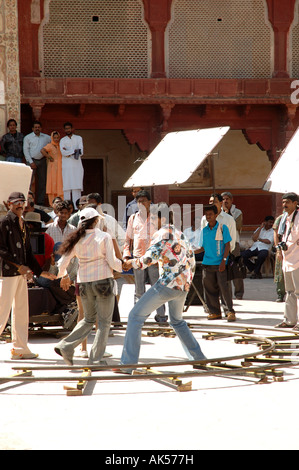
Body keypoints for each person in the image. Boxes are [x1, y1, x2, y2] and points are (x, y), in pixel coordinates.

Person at [119, 203, 206, 373]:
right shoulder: (179, 233)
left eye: (153, 218)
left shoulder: (161, 234)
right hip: (182, 286)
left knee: (134, 316)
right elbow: (191, 259)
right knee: (177, 321)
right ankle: (199, 358)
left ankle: (128, 364)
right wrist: (186, 283)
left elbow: (147, 260)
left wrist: (130, 263)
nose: (150, 221)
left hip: (167, 284)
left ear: (163, 218)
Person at [54, 207, 123, 365]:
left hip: (84, 283)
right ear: (96, 221)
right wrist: (123, 266)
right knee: (104, 322)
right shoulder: (104, 236)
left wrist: (63, 276)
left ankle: (65, 346)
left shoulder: (76, 239)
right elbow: (113, 262)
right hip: (103, 282)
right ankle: (96, 359)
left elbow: (62, 263)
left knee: (88, 319)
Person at [0, 191, 55, 359]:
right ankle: (19, 348)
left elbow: (28, 253)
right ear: (9, 204)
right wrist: (18, 266)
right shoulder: (4, 222)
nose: (20, 205)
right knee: (2, 311)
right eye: (16, 202)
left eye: (22, 202)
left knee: (21, 312)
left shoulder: (22, 223)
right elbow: (1, 249)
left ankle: (20, 349)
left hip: (20, 274)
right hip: (8, 273)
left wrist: (40, 272)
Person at [123, 189, 167, 323]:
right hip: (137, 259)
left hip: (153, 260)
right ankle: (138, 318)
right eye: (138, 201)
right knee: (139, 291)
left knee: (157, 290)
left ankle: (161, 317)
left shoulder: (156, 218)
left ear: (149, 202)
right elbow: (127, 240)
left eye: (143, 201)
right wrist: (126, 256)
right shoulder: (132, 218)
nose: (140, 203)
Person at [197, 205, 235, 322]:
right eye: (206, 215)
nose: (209, 217)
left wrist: (224, 261)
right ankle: (214, 312)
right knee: (209, 289)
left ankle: (229, 311)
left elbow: (227, 245)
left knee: (224, 289)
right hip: (207, 263)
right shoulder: (204, 231)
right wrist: (189, 252)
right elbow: (202, 247)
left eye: (211, 214)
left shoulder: (223, 228)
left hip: (220, 264)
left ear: (216, 215)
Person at [275, 193, 299, 329]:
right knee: (289, 291)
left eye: (287, 202)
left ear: (295, 203)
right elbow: (280, 235)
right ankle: (289, 320)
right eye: (283, 202)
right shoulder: (284, 218)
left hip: (297, 258)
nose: (284, 205)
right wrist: (278, 250)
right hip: (286, 257)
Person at [221, 191, 244, 299]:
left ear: (231, 200)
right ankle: (224, 293)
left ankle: (239, 293)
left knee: (235, 268)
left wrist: (227, 215)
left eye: (227, 199)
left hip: (234, 243)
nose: (225, 201)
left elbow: (237, 226)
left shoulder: (237, 212)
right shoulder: (218, 213)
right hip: (221, 243)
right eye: (223, 199)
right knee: (223, 268)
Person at [23, 121, 51, 205]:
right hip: (32, 161)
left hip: (42, 161)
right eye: (35, 127)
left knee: (42, 181)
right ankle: (28, 201)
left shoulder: (46, 137)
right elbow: (26, 150)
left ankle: (40, 202)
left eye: (39, 127)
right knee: (29, 182)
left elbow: (54, 141)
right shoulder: (28, 137)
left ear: (41, 128)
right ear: (32, 128)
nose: (37, 128)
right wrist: (31, 162)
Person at [60, 122, 84, 208]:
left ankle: (77, 208)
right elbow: (63, 152)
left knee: (76, 187)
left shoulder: (78, 138)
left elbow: (81, 152)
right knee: (67, 187)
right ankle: (67, 208)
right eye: (66, 129)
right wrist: (74, 151)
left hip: (77, 166)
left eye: (69, 128)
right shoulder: (62, 140)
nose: (68, 130)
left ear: (72, 129)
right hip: (66, 167)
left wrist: (69, 151)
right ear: (64, 130)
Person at [41, 131, 64, 204]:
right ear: (52, 138)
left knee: (60, 183)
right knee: (52, 183)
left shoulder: (61, 145)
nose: (56, 139)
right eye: (55, 138)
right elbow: (42, 150)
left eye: (57, 138)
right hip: (52, 167)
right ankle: (52, 203)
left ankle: (61, 201)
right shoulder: (49, 145)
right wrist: (49, 157)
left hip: (61, 167)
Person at [273, 212, 286, 302]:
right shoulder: (281, 218)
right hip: (283, 248)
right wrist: (278, 250)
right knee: (280, 273)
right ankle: (280, 293)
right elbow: (276, 234)